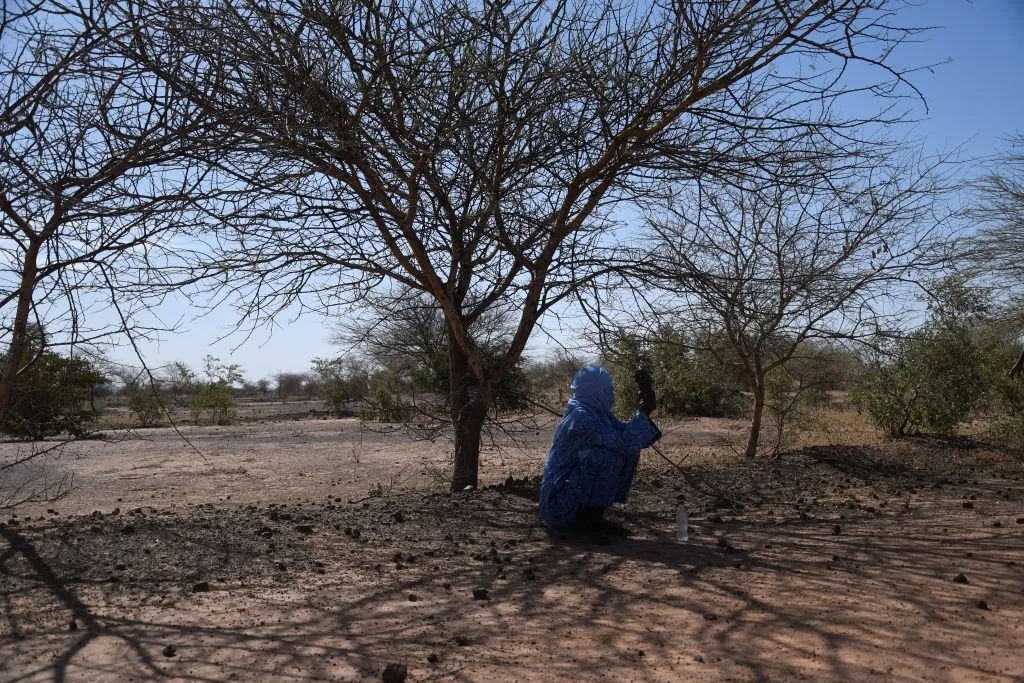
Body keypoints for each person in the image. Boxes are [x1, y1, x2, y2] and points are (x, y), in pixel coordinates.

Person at [538, 364, 661, 533]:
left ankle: (594, 519)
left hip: (567, 498)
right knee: (605, 455)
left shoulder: (596, 412)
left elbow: (628, 435)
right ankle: (584, 522)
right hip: (557, 508)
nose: (612, 394)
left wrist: (644, 407)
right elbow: (623, 442)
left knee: (625, 451)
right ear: (596, 392)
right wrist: (644, 411)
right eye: (608, 389)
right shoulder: (581, 417)